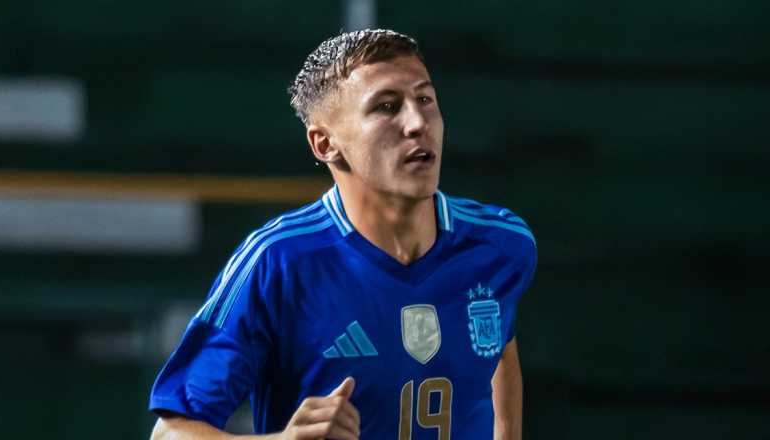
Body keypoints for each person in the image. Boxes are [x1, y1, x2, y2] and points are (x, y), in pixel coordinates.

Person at [149, 29, 536, 440]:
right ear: (324, 144)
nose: (418, 122)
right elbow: (171, 432)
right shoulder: (277, 262)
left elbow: (498, 348)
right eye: (387, 107)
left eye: (425, 99)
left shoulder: (501, 244)